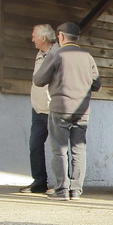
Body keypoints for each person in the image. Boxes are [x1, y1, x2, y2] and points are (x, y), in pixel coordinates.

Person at [32, 22, 101, 200]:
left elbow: (39, 80)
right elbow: (97, 85)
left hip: (60, 108)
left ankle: (61, 190)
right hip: (82, 110)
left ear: (61, 36)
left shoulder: (56, 54)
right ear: (77, 38)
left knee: (60, 150)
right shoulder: (88, 57)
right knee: (79, 149)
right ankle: (76, 190)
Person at [20, 23, 56, 194]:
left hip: (52, 109)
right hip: (37, 109)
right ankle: (39, 182)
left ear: (43, 38)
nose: (32, 38)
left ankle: (64, 184)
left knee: (59, 148)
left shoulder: (57, 53)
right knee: (35, 145)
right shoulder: (39, 54)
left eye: (34, 35)